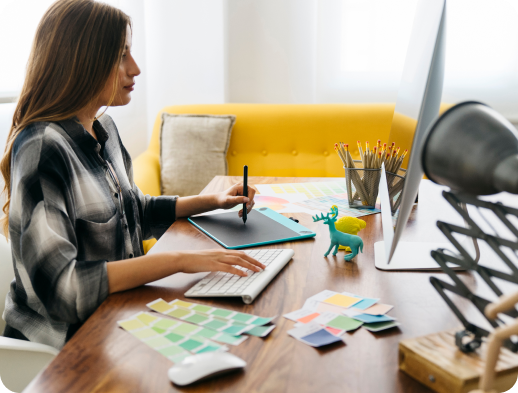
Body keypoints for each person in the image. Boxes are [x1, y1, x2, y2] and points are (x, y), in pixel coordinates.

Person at [0, 0, 263, 349]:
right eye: (121, 54)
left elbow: (130, 211)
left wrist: (210, 201)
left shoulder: (102, 128)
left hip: (119, 315)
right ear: (84, 61)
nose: (135, 68)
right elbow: (63, 291)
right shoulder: (43, 149)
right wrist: (179, 261)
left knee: (242, 338)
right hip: (64, 348)